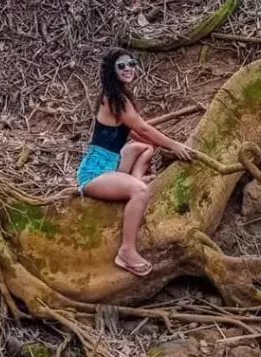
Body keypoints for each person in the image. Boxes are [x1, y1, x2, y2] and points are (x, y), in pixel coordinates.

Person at [77, 48, 193, 277]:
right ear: (111, 70)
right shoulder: (114, 98)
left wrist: (159, 143)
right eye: (121, 66)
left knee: (143, 147)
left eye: (131, 63)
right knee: (140, 191)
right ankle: (126, 251)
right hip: (94, 174)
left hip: (113, 164)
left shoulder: (119, 97)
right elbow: (142, 127)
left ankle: (134, 178)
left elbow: (134, 133)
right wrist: (173, 145)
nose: (128, 68)